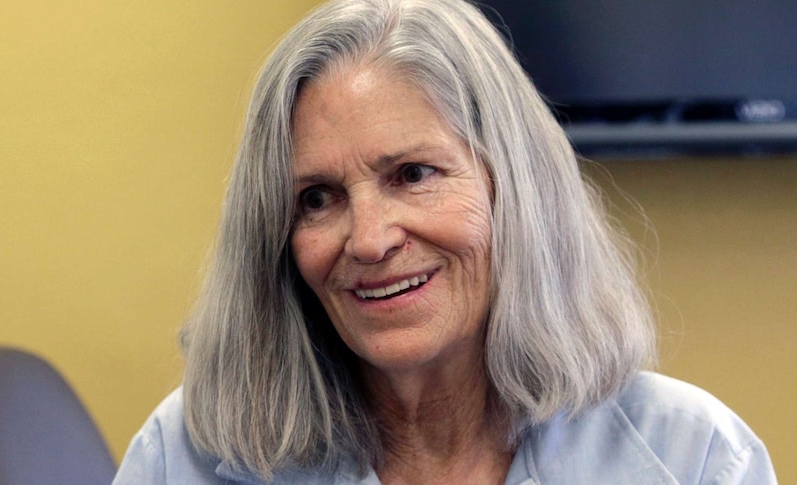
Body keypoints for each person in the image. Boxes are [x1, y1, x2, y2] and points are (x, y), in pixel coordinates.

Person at [113, 0, 777, 483]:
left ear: (513, 190)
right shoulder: (187, 458)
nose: (369, 240)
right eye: (316, 198)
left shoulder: (694, 456)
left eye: (413, 175)